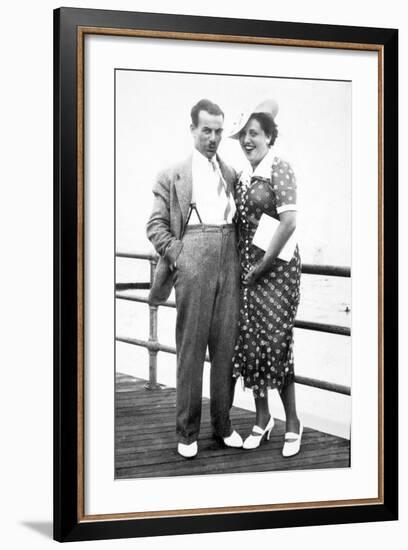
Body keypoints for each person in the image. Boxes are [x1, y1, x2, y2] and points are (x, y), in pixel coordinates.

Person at [146, 99, 243, 459]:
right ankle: (187, 432)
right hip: (193, 258)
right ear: (192, 130)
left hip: (228, 258)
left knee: (225, 350)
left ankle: (223, 425)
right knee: (190, 350)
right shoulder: (171, 175)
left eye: (219, 131)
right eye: (207, 130)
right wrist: (179, 254)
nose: (213, 138)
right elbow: (154, 226)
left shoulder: (230, 174)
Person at [229, 99, 303, 457]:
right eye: (243, 134)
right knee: (251, 342)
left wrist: (263, 265)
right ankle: (262, 419)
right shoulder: (243, 176)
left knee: (276, 343)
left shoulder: (280, 168)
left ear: (269, 137)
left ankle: (293, 422)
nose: (247, 140)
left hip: (278, 272)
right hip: (249, 271)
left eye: (254, 133)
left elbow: (289, 222)